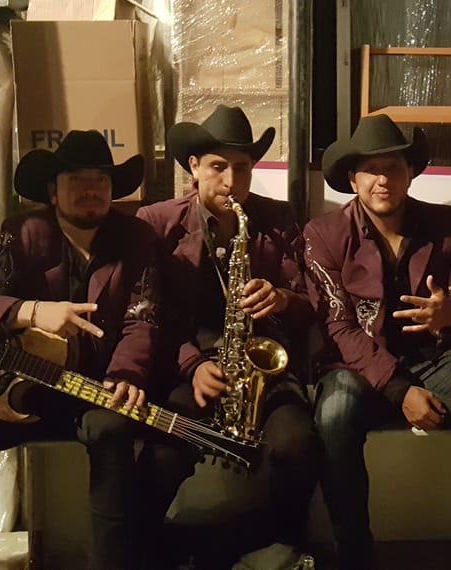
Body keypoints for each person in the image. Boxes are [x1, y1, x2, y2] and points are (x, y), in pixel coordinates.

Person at [0, 130, 185, 570]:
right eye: (76, 179)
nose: (90, 190)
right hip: (18, 391)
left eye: (100, 180)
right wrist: (30, 312)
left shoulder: (136, 237)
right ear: (52, 190)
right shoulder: (23, 233)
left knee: (112, 431)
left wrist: (127, 373)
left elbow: (143, 317)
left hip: (93, 389)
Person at [305, 114, 451, 570]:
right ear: (353, 179)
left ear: (410, 173)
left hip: (435, 362)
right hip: (357, 370)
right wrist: (400, 391)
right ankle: (355, 557)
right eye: (371, 170)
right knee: (334, 413)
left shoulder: (445, 223)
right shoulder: (323, 233)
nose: (383, 180)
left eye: (393, 168)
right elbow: (338, 328)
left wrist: (449, 314)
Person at [135, 105, 323, 565]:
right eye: (218, 167)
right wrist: (191, 364)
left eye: (242, 168)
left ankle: (281, 543)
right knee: (162, 456)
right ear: (193, 167)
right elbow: (145, 314)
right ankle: (146, 551)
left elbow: (313, 302)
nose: (231, 181)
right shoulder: (156, 222)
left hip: (262, 371)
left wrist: (283, 298)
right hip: (189, 367)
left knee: (298, 445)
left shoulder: (278, 218)